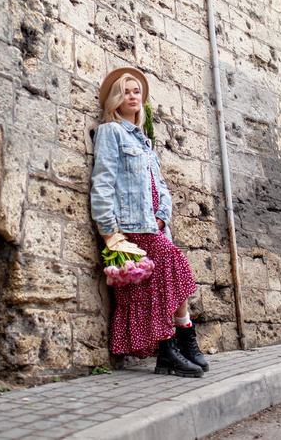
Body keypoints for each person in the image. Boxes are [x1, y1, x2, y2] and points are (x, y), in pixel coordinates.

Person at [90, 67, 209, 377]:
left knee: (155, 288)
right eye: (126, 91)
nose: (133, 95)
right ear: (116, 99)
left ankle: (175, 347)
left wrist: (161, 215)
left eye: (137, 91)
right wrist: (110, 233)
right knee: (175, 266)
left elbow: (162, 188)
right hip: (131, 227)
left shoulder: (145, 143)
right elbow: (102, 184)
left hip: (155, 225)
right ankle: (181, 339)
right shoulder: (110, 132)